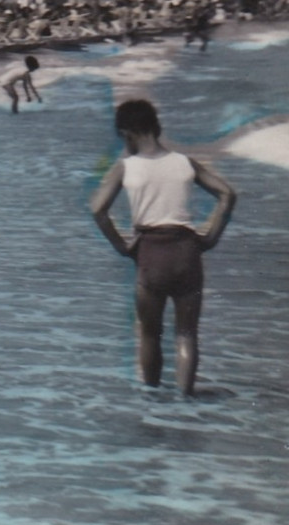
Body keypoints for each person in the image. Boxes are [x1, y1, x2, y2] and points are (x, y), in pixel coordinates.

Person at [88, 99, 236, 395]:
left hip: (151, 254)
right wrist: (210, 238)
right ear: (155, 127)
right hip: (187, 253)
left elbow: (97, 209)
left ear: (128, 132)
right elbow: (227, 194)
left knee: (150, 335)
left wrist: (121, 247)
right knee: (186, 335)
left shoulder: (126, 167)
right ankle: (185, 404)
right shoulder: (184, 162)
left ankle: (154, 406)